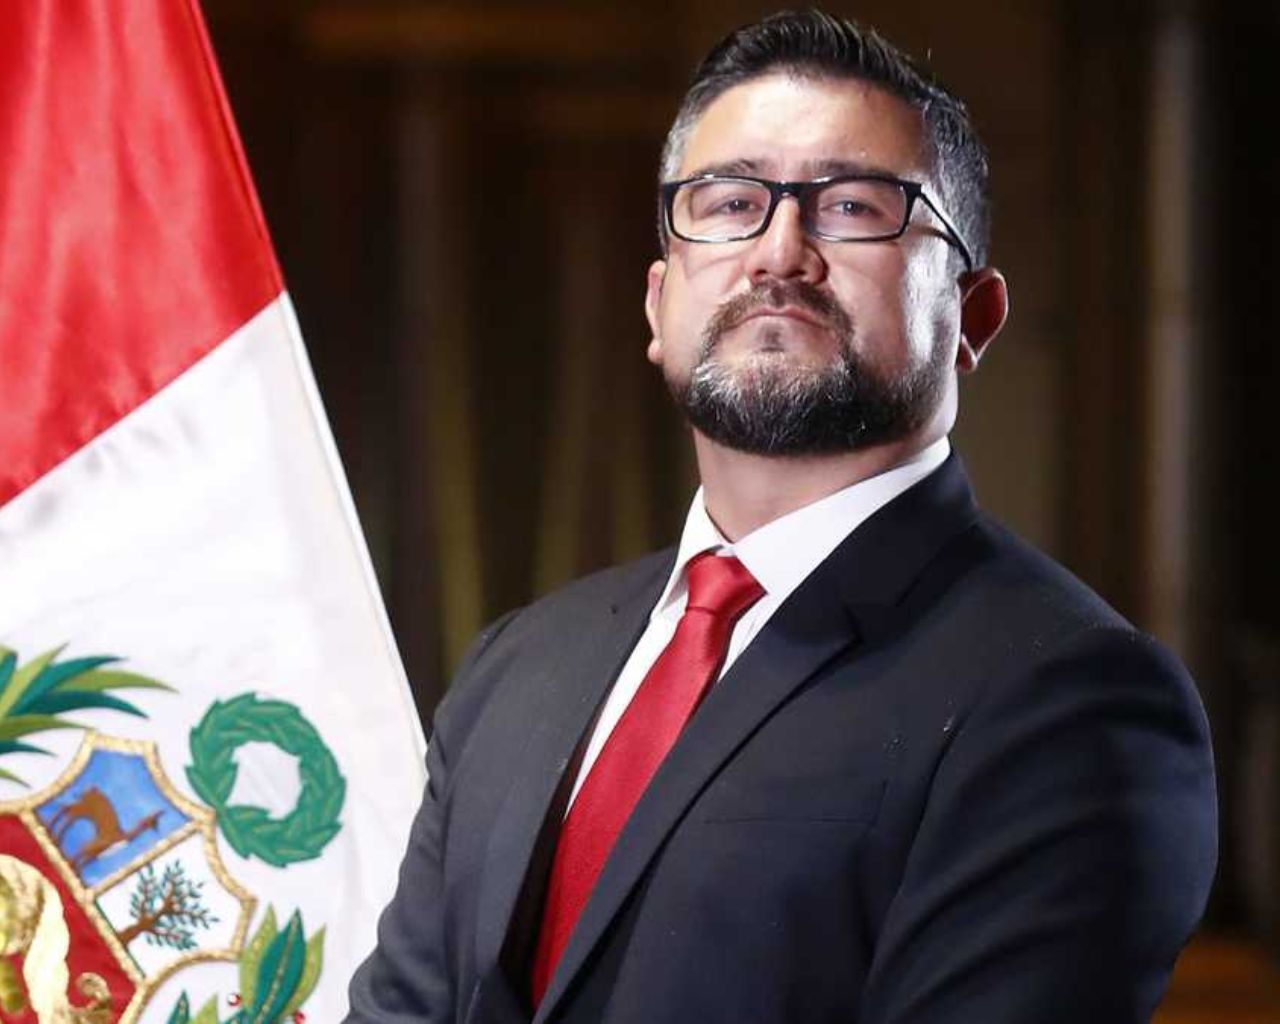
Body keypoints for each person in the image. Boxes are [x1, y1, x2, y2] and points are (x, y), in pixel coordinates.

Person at [345, 10, 1217, 1023]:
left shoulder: (1069, 701)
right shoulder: (518, 663)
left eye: (851, 207)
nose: (778, 251)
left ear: (971, 317)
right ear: (657, 304)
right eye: (729, 202)